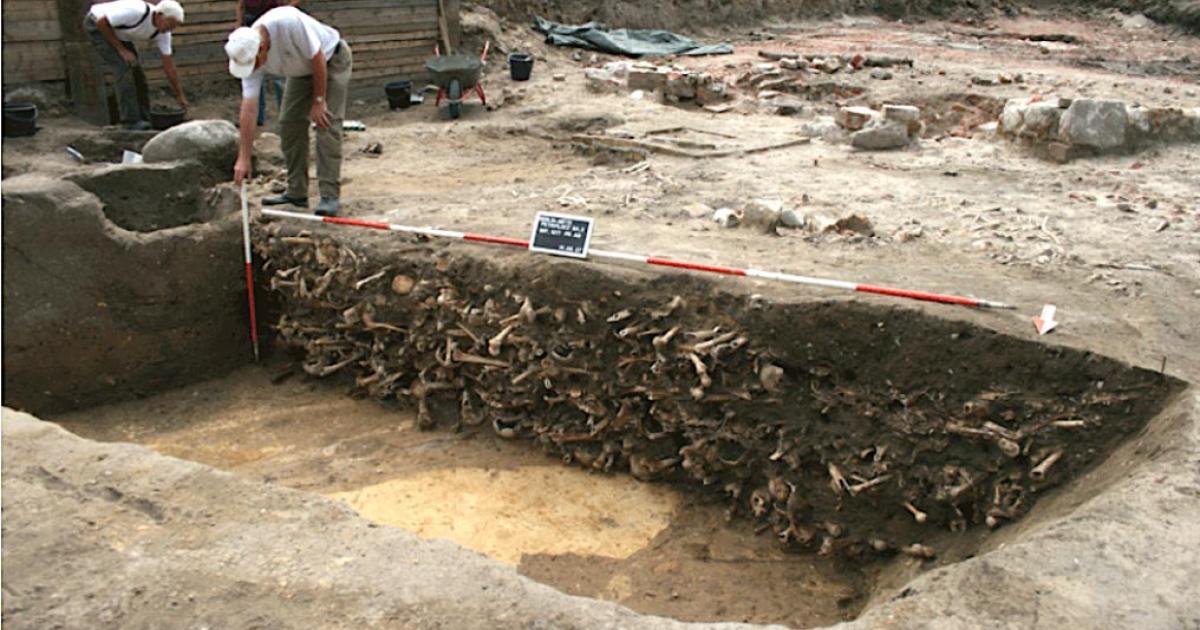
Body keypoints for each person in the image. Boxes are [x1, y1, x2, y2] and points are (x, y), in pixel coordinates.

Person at [226, 7, 352, 217]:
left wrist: (319, 101)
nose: (253, 69)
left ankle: (329, 195)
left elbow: (318, 57)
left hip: (331, 59)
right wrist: (244, 157)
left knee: (326, 124)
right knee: (289, 123)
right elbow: (249, 108)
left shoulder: (288, 23)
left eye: (255, 63)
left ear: (263, 48)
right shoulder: (248, 55)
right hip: (301, 70)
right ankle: (297, 192)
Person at [84, 0, 188, 130]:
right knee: (123, 67)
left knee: (138, 75)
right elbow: (101, 22)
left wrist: (179, 94)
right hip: (97, 25)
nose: (170, 29)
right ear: (159, 15)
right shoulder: (136, 12)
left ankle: (144, 118)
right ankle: (129, 121)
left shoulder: (163, 33)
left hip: (119, 33)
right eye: (170, 24)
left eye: (174, 27)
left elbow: (169, 66)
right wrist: (121, 50)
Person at [235, 0, 298, 127]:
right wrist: (239, 22)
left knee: (280, 73)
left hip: (274, 20)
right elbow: (240, 2)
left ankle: (286, 116)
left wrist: (285, 11)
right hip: (251, 19)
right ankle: (257, 117)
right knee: (253, 69)